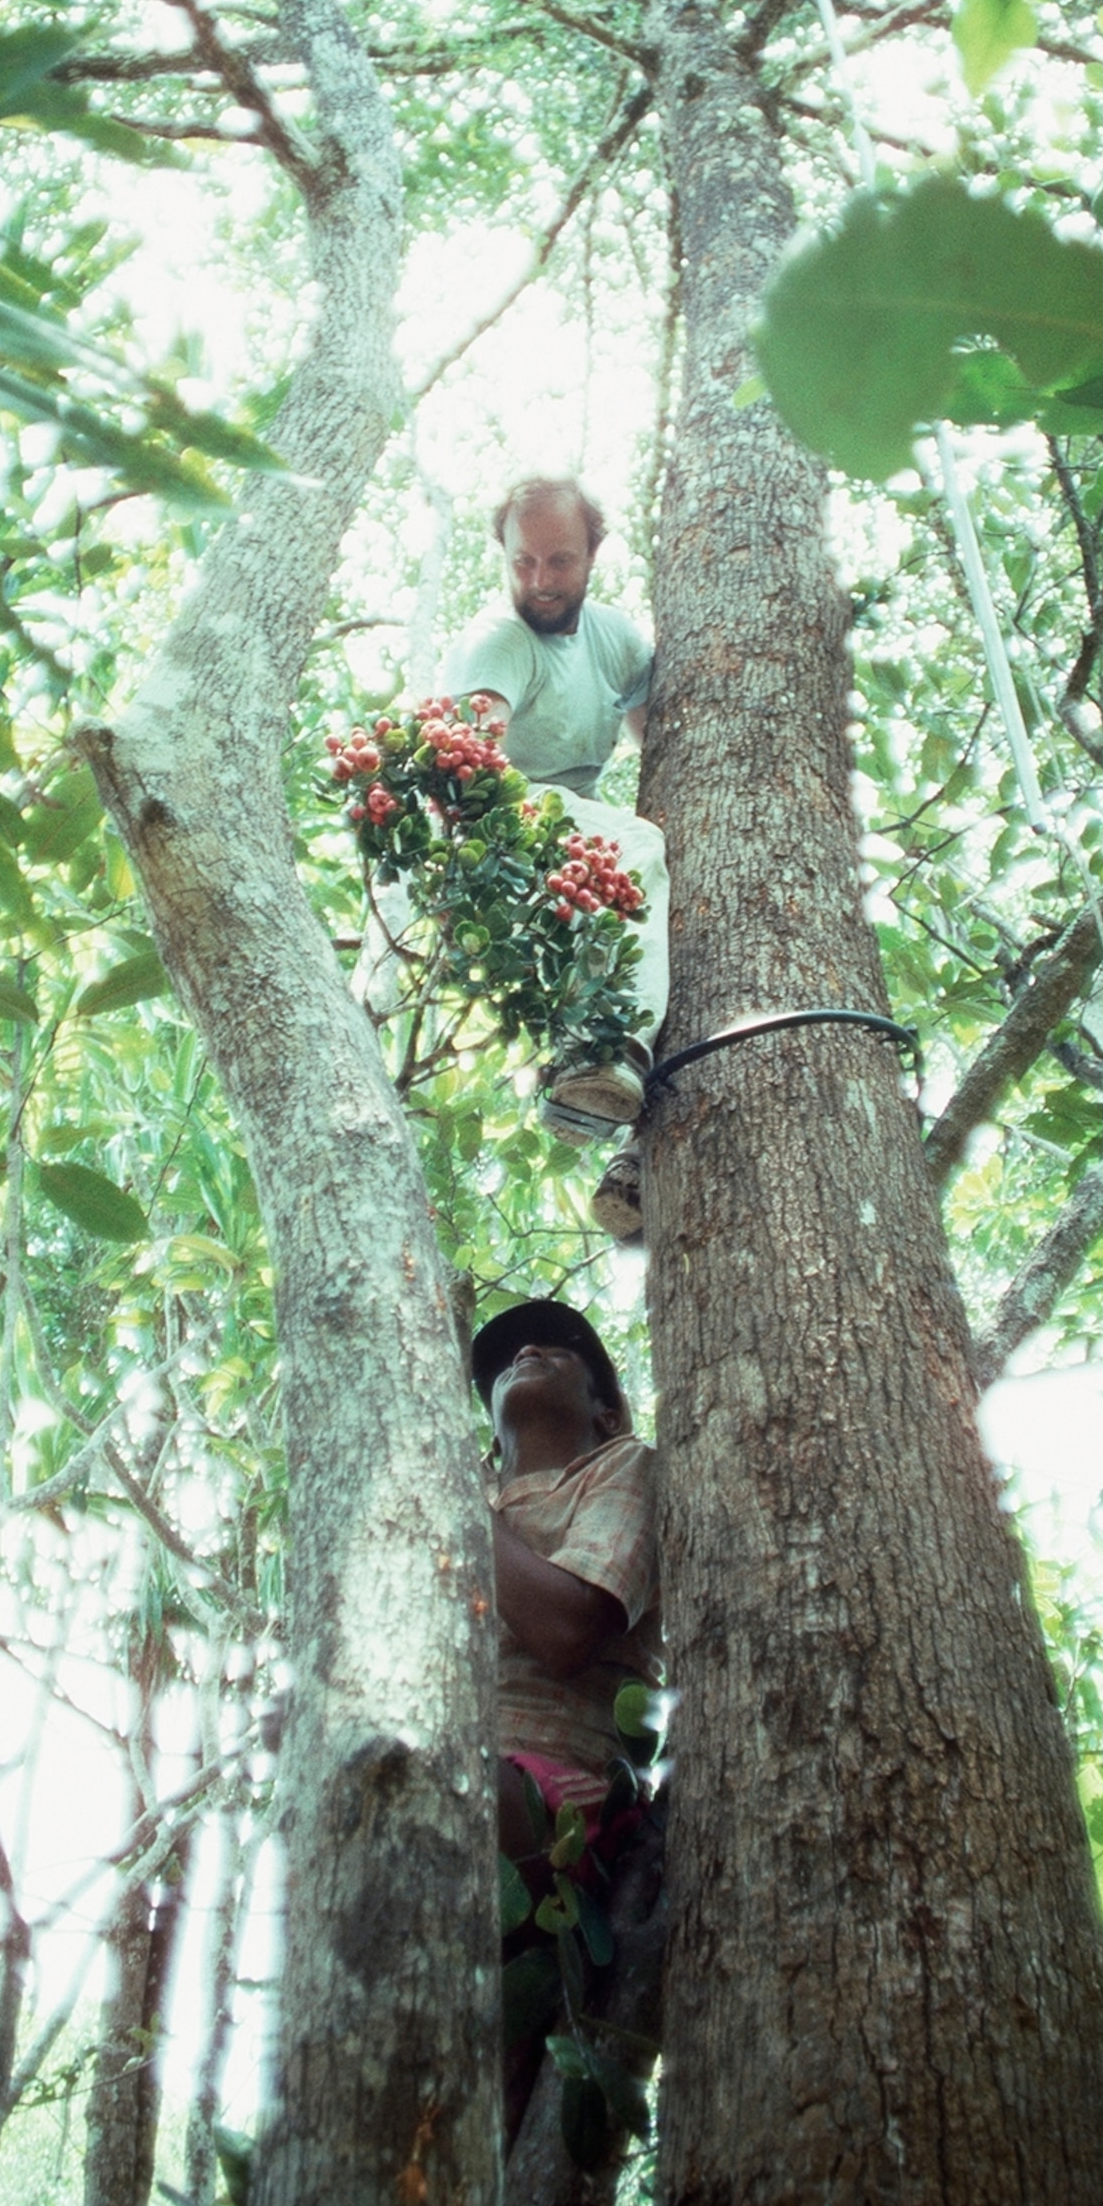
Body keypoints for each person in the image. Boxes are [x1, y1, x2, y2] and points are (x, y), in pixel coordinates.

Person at [437, 478, 668, 1165]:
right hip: (504, 833)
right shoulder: (499, 641)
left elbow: (656, 734)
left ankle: (625, 1147)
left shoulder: (613, 638)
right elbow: (475, 752)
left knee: (662, 910)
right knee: (636, 842)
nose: (539, 580)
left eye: (559, 561)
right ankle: (598, 1043)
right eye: (522, 562)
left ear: (593, 554)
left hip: (574, 843)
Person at [471, 1298, 661, 1854]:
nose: (526, 1352)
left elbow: (567, 1632)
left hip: (567, 1806)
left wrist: (459, 1502)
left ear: (609, 1413)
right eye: (507, 1361)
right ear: (493, 1444)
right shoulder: (466, 1503)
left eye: (556, 1348)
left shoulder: (626, 1465)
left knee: (458, 1790)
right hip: (453, 1770)